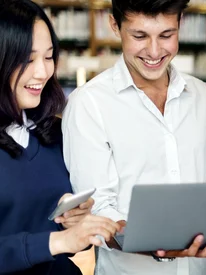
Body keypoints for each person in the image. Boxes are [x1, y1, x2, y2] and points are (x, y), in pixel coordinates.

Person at [61, 0, 206, 274]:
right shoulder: (89, 103)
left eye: (166, 35)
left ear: (181, 23)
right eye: (139, 36)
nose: (154, 51)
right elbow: (98, 207)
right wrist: (156, 243)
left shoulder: (204, 98)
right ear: (115, 26)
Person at [0, 0, 120, 274]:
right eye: (27, 59)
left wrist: (72, 223)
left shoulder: (54, 132)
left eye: (48, 56)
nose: (42, 72)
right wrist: (56, 240)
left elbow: (73, 244)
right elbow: (52, 243)